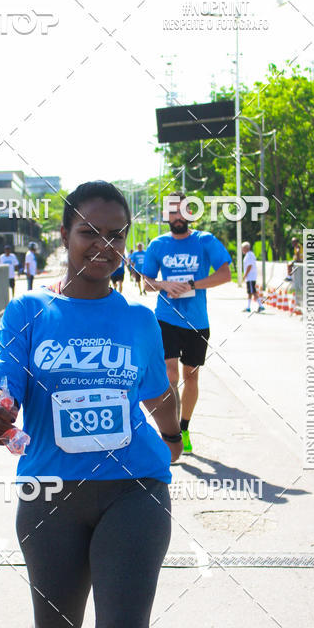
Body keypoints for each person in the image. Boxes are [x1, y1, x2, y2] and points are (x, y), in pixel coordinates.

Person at [0, 180, 181, 628]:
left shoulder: (138, 320)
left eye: (117, 234)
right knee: (55, 627)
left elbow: (156, 393)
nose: (104, 245)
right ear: (65, 237)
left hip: (134, 489)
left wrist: (175, 435)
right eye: (90, 232)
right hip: (49, 496)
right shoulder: (29, 313)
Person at [142, 191, 231, 454]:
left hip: (196, 321)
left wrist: (193, 284)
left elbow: (225, 274)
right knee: (170, 374)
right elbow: (146, 283)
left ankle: (184, 427)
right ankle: (169, 433)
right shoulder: (157, 244)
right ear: (165, 215)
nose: (177, 217)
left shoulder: (205, 241)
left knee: (191, 376)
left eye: (182, 211)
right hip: (166, 318)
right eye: (172, 212)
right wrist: (163, 283)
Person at [241, 242, 264, 313]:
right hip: (250, 277)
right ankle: (248, 307)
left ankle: (261, 306)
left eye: (243, 248)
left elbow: (249, 266)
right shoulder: (249, 255)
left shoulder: (249, 255)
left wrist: (245, 275)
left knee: (253, 292)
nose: (242, 250)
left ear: (246, 248)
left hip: (251, 276)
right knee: (250, 292)